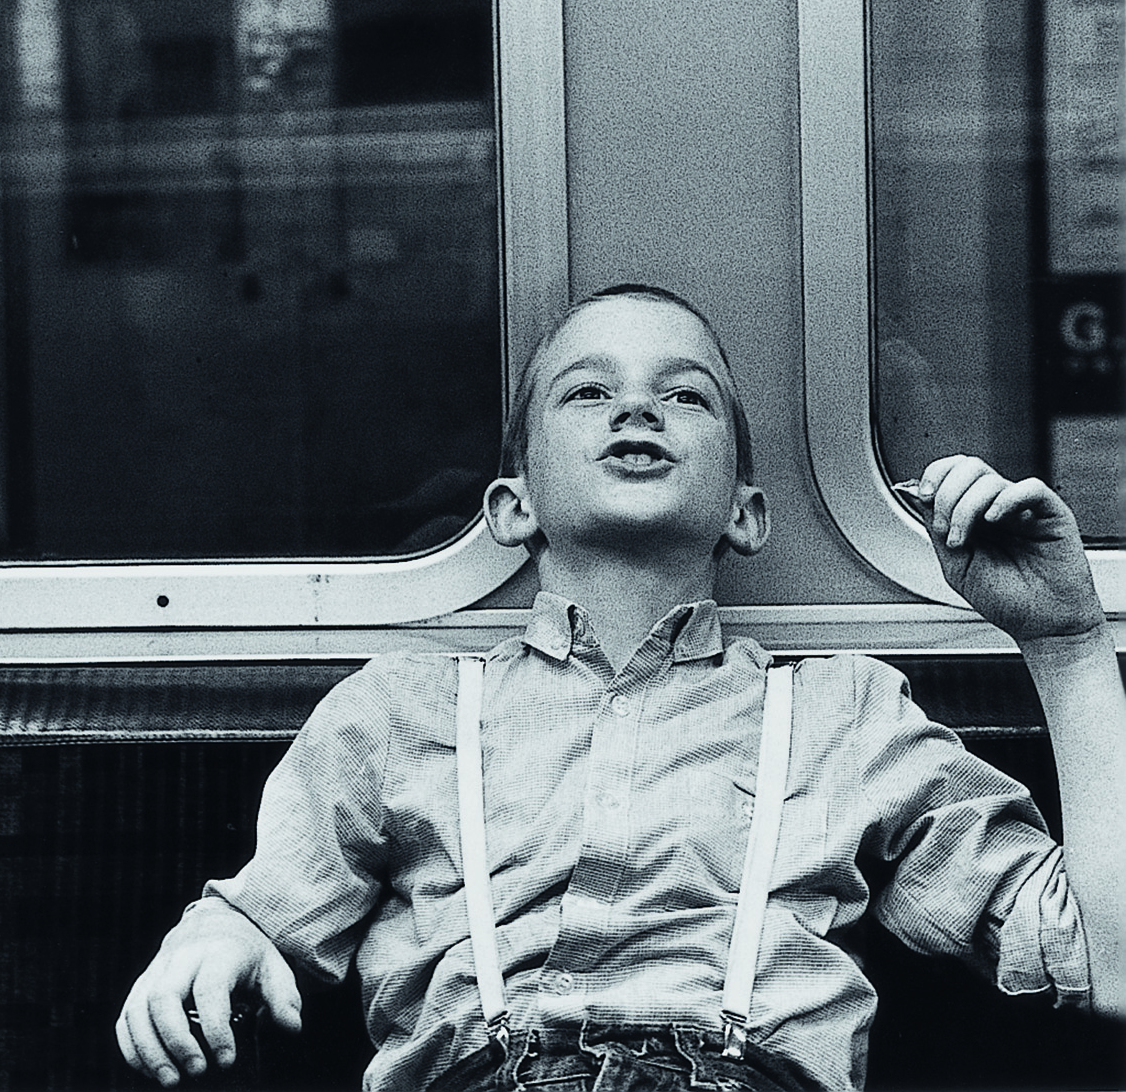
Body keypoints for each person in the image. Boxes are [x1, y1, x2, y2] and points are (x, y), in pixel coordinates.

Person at [115, 285, 1123, 1091]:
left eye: (684, 393)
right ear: (511, 508)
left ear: (746, 513)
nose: (637, 406)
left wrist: (1067, 646)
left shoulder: (841, 714)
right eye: (587, 392)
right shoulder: (398, 711)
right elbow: (263, 911)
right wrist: (214, 934)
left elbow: (1107, 964)